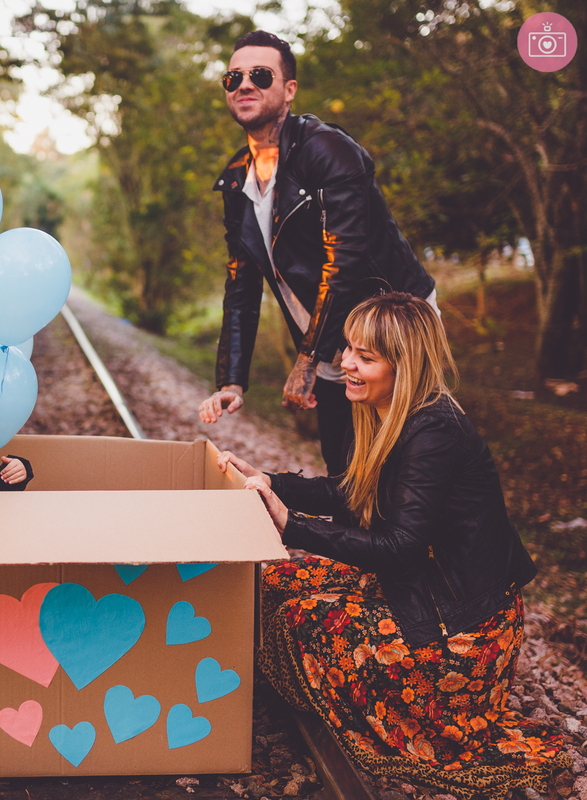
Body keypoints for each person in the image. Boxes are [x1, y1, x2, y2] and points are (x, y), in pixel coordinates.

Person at [216, 293, 569, 798]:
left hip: (459, 625)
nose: (346, 363)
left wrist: (289, 524)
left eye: (366, 356)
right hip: (426, 586)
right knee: (273, 579)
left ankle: (385, 705)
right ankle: (297, 688)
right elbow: (351, 489)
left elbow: (399, 545)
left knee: (307, 616)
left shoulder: (434, 432)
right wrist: (273, 480)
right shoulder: (393, 414)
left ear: (405, 365)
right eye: (348, 348)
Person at [198, 30, 437, 476]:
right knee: (344, 461)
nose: (244, 85)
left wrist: (307, 360)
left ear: (289, 91)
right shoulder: (237, 179)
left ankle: (442, 545)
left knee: (411, 463)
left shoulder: (327, 151)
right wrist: (231, 379)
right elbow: (242, 284)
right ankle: (352, 545)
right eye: (233, 78)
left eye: (260, 75)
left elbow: (343, 259)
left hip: (395, 322)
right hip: (331, 336)